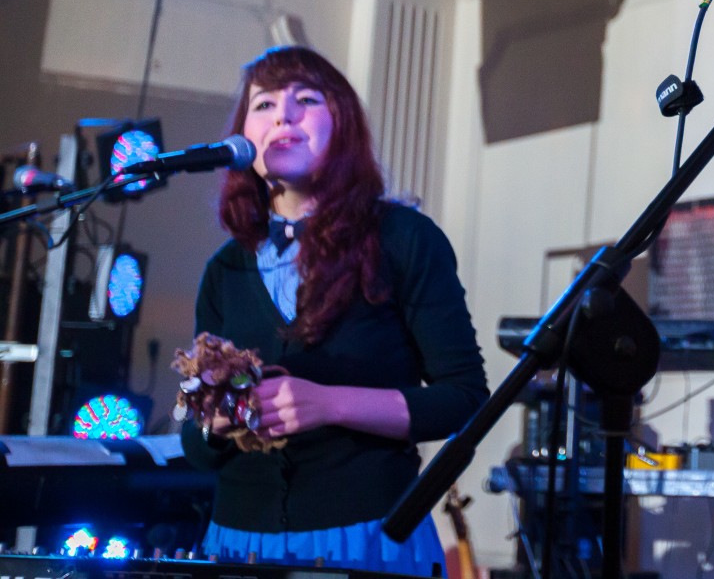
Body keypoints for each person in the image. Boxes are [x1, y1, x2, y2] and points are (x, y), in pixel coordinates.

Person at [180, 45, 487, 576]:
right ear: (242, 138)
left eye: (305, 99)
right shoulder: (224, 268)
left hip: (367, 538)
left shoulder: (404, 240)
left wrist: (331, 404)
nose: (283, 115)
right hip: (236, 546)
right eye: (265, 104)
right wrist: (215, 421)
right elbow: (194, 441)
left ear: (342, 125)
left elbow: (464, 400)